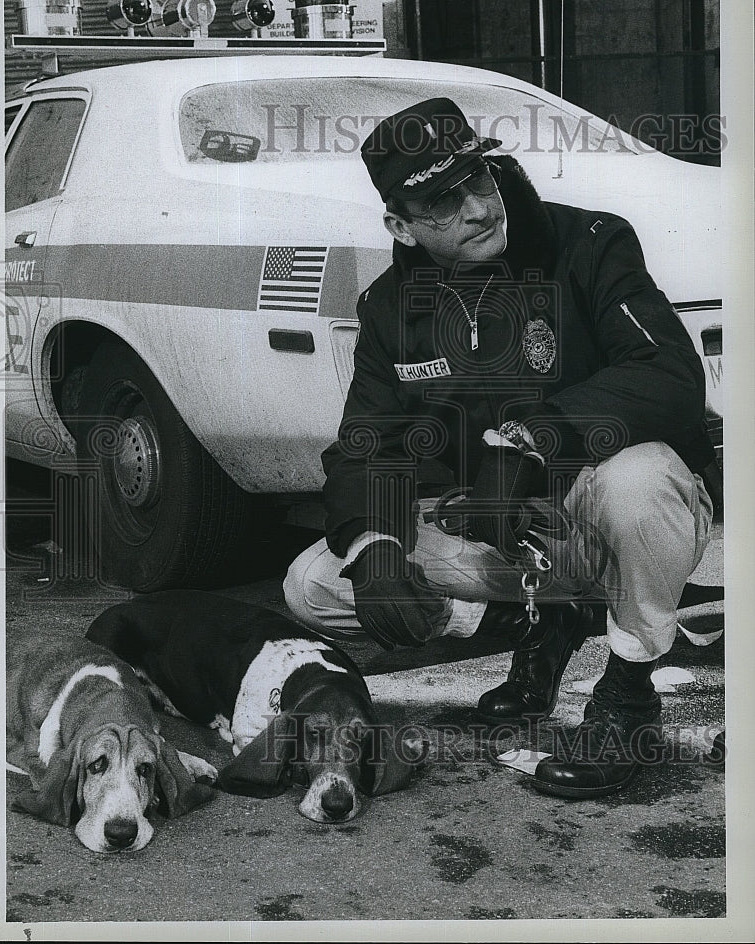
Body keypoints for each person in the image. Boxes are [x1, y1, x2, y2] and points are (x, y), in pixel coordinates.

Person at [283, 97, 716, 799]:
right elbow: (366, 445)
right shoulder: (389, 308)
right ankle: (538, 626)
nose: (477, 209)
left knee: (643, 481)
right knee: (315, 582)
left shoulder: (591, 244)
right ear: (400, 224)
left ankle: (628, 692)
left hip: (601, 519)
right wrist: (374, 545)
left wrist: (532, 439)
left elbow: (667, 373)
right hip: (500, 534)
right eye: (442, 204)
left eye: (477, 180)